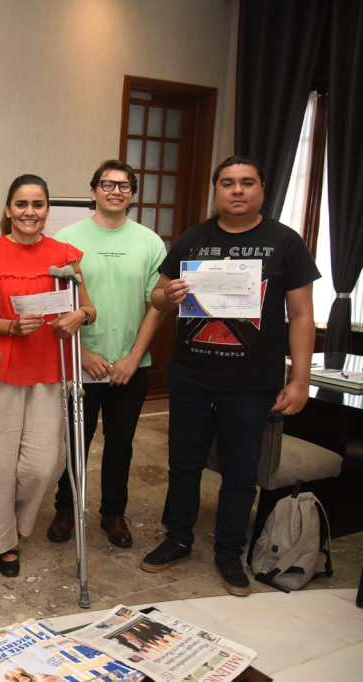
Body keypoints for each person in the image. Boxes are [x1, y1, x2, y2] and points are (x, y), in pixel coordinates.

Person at [141, 156, 319, 596]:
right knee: (183, 463)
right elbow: (157, 296)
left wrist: (299, 379)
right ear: (215, 190)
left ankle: (228, 551)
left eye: (246, 183)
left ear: (261, 189)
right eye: (227, 183)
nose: (236, 191)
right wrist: (168, 292)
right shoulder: (193, 239)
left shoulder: (284, 242)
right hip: (192, 374)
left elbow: (301, 315)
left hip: (252, 380)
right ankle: (177, 537)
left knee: (241, 470)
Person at [0, 174, 96, 577]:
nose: (29, 212)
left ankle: (17, 523)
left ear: (47, 210)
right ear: (8, 209)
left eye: (37, 205)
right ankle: (0, 542)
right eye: (21, 204)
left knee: (43, 464)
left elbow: (89, 309)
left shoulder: (66, 254)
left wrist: (79, 315)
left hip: (50, 369)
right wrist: (8, 327)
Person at [47, 160, 166, 548]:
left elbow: (157, 304)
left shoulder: (150, 242)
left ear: (133, 193)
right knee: (75, 443)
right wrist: (81, 352)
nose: (115, 191)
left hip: (130, 366)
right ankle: (66, 508)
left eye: (124, 185)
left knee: (121, 444)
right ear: (94, 190)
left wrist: (133, 357)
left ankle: (113, 513)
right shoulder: (67, 238)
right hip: (80, 363)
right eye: (107, 184)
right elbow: (58, 304)